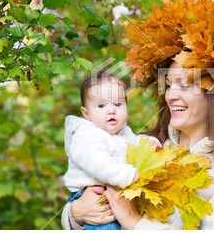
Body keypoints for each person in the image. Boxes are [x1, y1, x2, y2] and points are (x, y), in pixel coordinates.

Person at [61, 0, 214, 230]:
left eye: (184, 85)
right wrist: (74, 214)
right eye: (169, 85)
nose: (171, 95)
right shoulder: (146, 144)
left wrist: (134, 222)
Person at [63, 72, 159, 230]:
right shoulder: (86, 134)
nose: (111, 111)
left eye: (118, 104)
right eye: (101, 106)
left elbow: (135, 145)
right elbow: (98, 161)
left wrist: (149, 145)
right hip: (93, 196)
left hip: (114, 194)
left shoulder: (123, 132)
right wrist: (125, 174)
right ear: (86, 113)